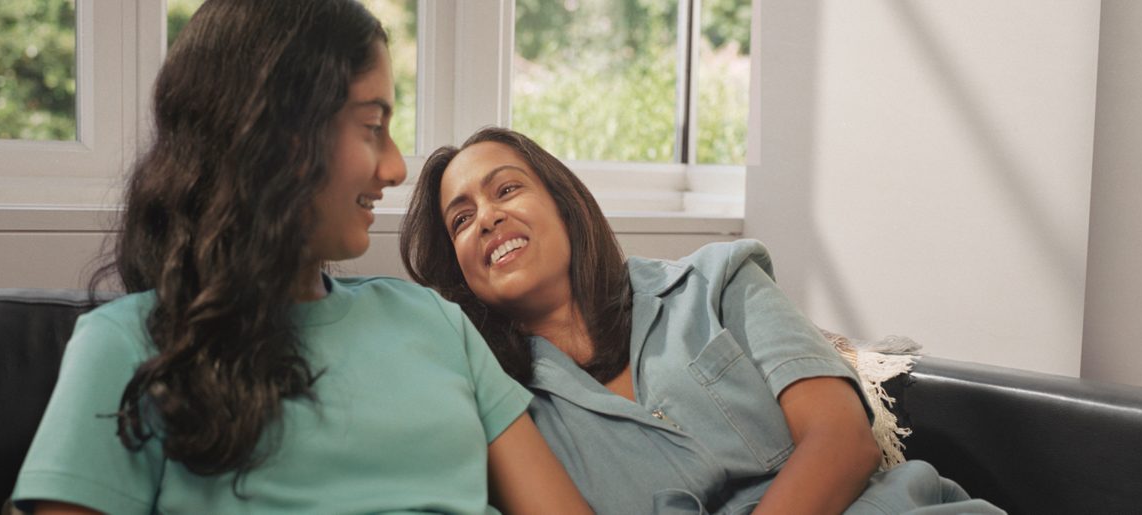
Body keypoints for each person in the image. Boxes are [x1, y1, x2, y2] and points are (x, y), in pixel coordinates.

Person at [11, 3, 589, 514]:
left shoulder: (434, 322)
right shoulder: (127, 346)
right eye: (371, 126)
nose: (394, 168)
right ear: (273, 136)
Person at [400, 127, 1004, 514]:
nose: (486, 218)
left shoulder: (718, 279)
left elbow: (841, 439)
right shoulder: (501, 407)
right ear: (462, 273)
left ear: (564, 202)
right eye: (460, 220)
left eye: (506, 190)